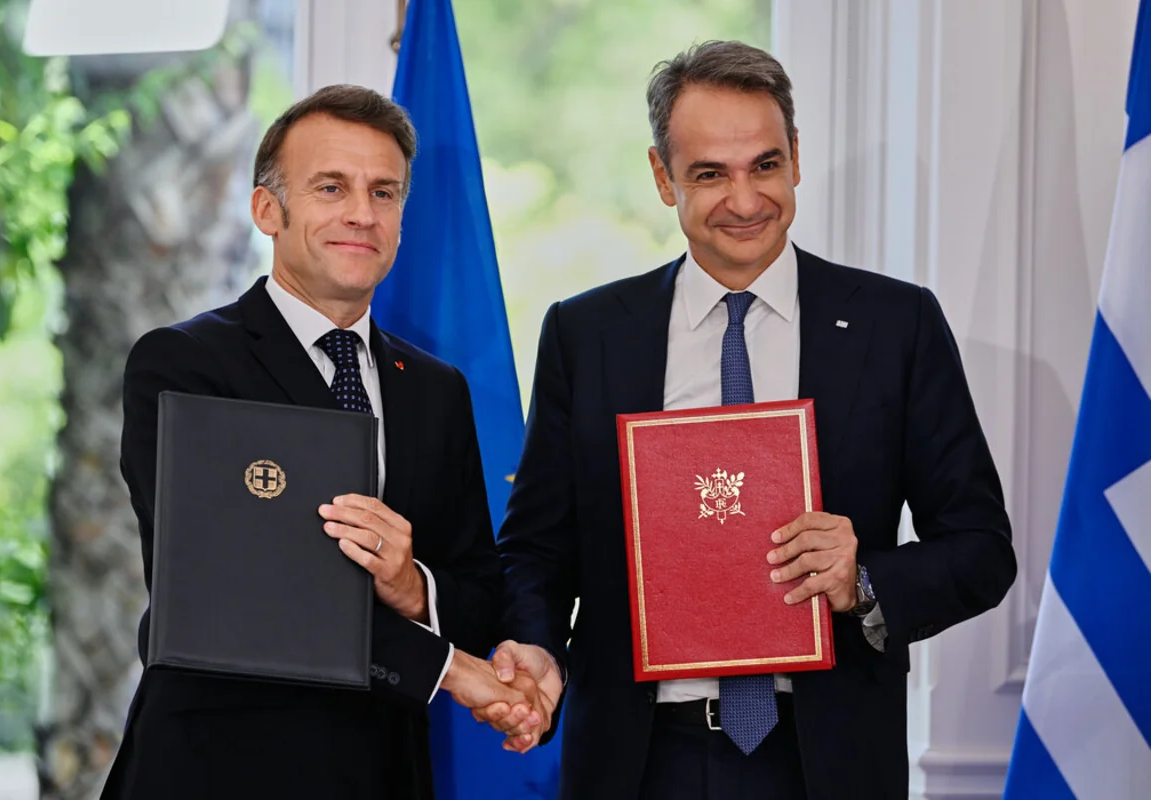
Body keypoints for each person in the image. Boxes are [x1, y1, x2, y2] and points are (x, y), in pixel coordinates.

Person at [480, 41, 1018, 799]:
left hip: (828, 763)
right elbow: (537, 547)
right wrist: (536, 645)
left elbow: (982, 549)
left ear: (796, 157)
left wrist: (862, 581)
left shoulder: (898, 325)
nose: (744, 199)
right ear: (662, 177)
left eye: (764, 164)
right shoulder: (587, 333)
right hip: (639, 762)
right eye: (709, 173)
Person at [101, 85, 539, 800]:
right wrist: (451, 670)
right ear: (267, 210)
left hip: (383, 771)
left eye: (384, 192)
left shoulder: (437, 390)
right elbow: (229, 587)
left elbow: (478, 591)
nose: (362, 213)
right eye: (331, 187)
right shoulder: (185, 365)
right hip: (216, 768)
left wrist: (414, 587)